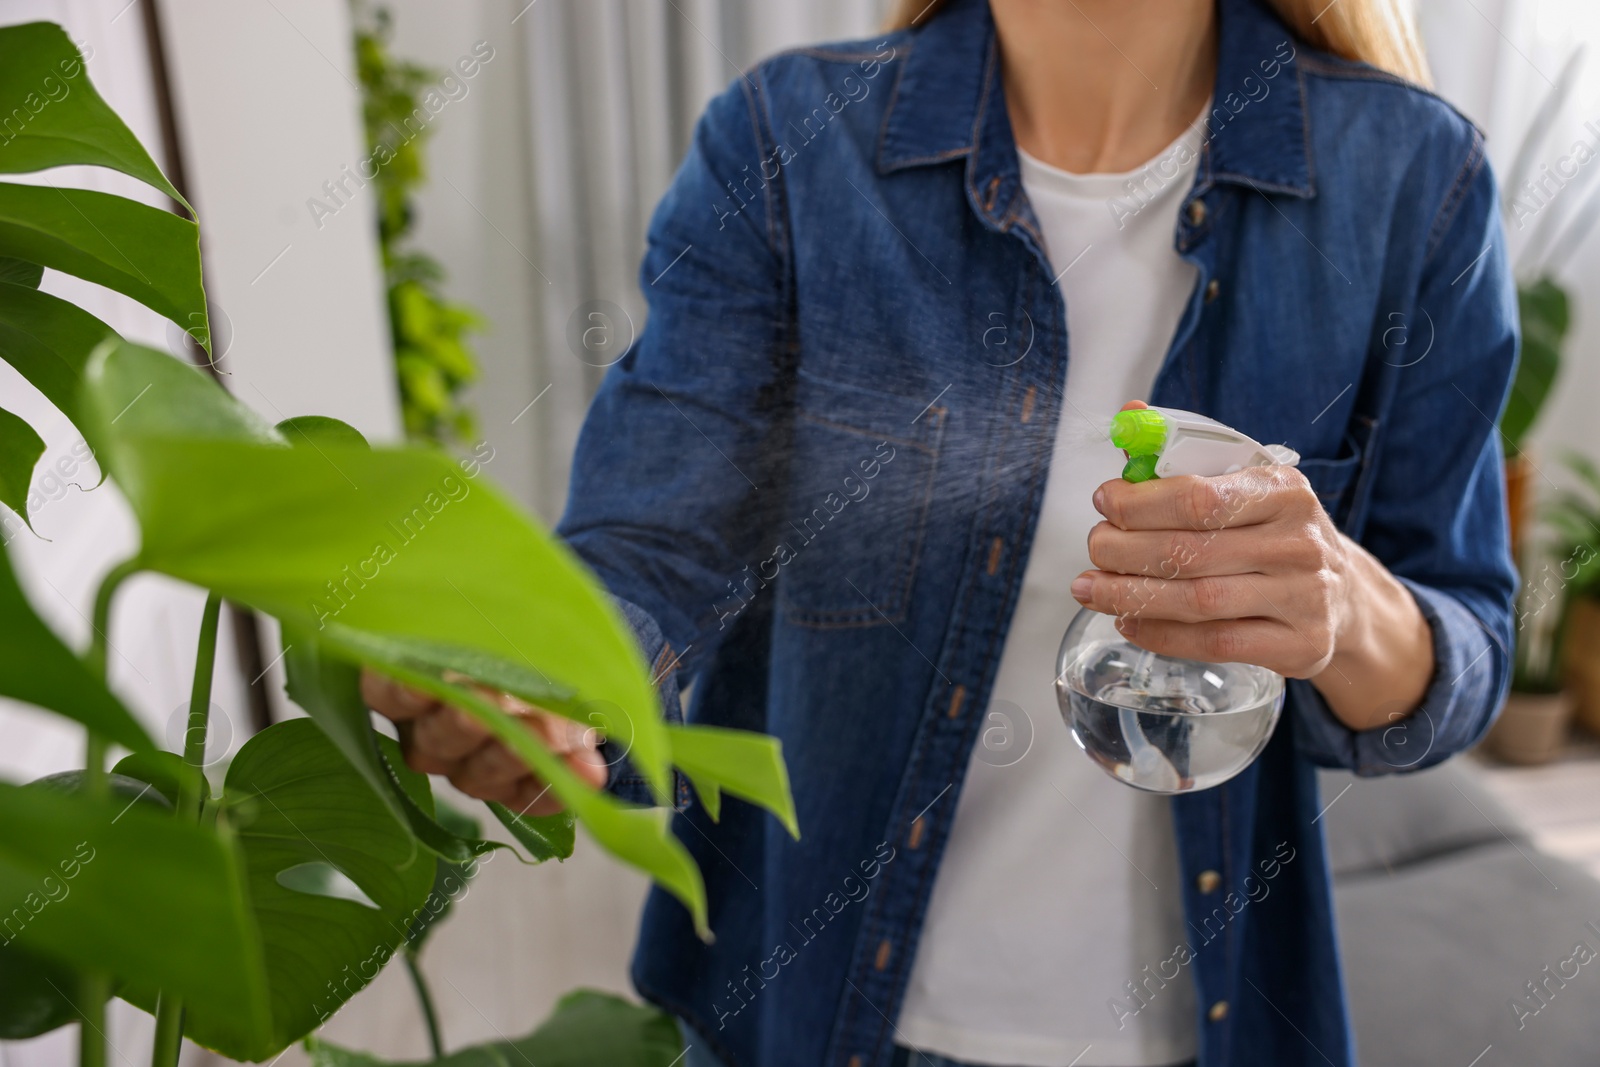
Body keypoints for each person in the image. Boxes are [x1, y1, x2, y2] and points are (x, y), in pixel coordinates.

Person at [362, 0, 1518, 1064]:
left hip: (1210, 1023)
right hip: (817, 1011)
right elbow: (649, 555)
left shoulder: (1415, 181)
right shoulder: (787, 144)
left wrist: (1342, 604)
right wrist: (547, 688)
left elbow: (1459, 652)